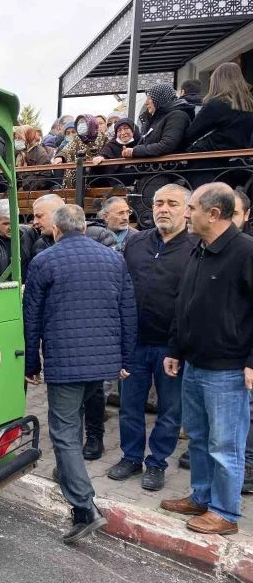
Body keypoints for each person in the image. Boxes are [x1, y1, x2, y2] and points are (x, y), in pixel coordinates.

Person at [23, 204, 136, 544]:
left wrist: (31, 365)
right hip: (102, 363)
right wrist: (125, 359)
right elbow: (128, 310)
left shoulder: (44, 261)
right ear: (85, 227)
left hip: (66, 363)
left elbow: (32, 318)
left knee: (64, 432)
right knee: (78, 421)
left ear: (57, 230)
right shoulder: (113, 259)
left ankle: (84, 508)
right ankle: (68, 472)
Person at [161, 183, 253, 535]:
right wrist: (175, 349)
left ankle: (225, 513)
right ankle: (201, 497)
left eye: (192, 208)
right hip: (193, 365)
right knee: (199, 437)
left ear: (213, 214)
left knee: (225, 444)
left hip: (227, 370)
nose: (186, 214)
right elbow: (184, 303)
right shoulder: (199, 249)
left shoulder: (245, 252)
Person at [107, 184, 195, 491]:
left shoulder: (196, 247)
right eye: (159, 203)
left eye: (172, 203)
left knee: (170, 410)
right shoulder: (136, 242)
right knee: (130, 406)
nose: (163, 209)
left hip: (172, 348)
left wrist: (179, 347)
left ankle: (157, 463)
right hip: (134, 343)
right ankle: (131, 457)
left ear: (187, 210)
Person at [185, 63, 253, 154]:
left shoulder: (217, 104)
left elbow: (191, 133)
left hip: (211, 156)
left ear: (217, 82)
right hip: (242, 157)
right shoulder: (249, 105)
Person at [30, 194, 116, 257]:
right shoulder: (39, 245)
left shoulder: (99, 235)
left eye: (39, 216)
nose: (35, 222)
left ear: (56, 213)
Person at [125, 84, 194, 159]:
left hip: (171, 165)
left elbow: (167, 145)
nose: (146, 103)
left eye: (150, 98)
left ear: (160, 98)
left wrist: (135, 151)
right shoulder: (156, 118)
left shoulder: (177, 116)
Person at [52, 115, 108, 187]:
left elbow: (107, 152)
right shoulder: (77, 138)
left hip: (96, 178)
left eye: (84, 123)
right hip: (77, 179)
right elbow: (67, 149)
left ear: (92, 124)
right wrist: (60, 157)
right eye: (79, 124)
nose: (81, 126)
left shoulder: (103, 138)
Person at [91, 118, 139, 188]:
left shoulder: (140, 142)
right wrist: (100, 157)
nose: (123, 133)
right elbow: (105, 153)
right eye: (119, 130)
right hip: (116, 185)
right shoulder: (112, 144)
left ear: (132, 130)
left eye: (126, 128)